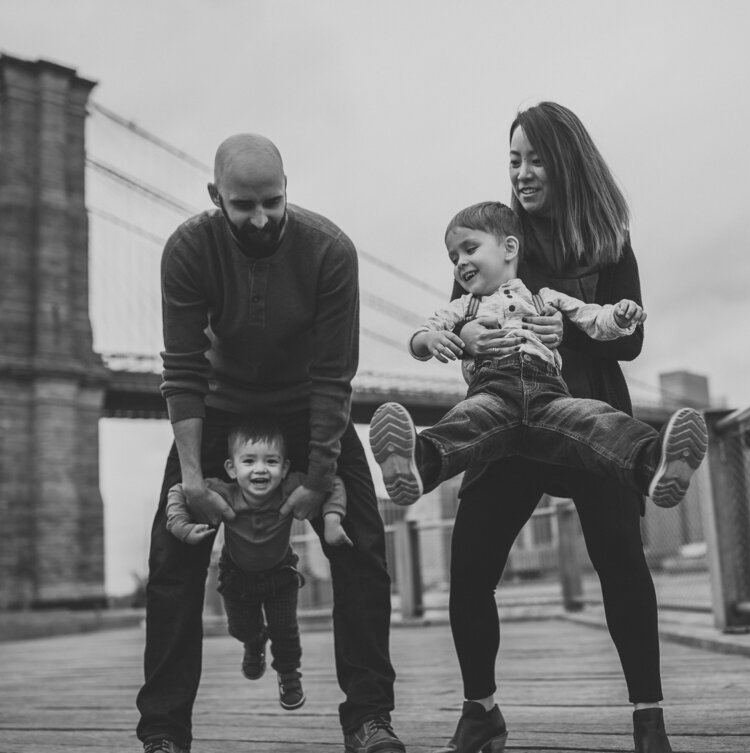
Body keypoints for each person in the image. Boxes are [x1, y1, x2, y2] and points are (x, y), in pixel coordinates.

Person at [135, 134, 405, 753]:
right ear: (215, 198)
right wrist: (194, 480)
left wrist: (316, 479)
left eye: (273, 202)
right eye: (243, 205)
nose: (261, 218)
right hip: (221, 405)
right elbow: (183, 372)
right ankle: (163, 731)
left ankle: (369, 717)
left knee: (361, 548)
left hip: (306, 398)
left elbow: (334, 376)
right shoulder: (187, 250)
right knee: (171, 565)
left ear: (289, 191)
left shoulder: (330, 251)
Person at [436, 102, 682, 753]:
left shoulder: (607, 239)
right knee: (470, 567)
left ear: (566, 159)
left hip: (588, 418)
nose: (521, 171)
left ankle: (648, 718)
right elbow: (462, 315)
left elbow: (627, 345)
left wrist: (561, 322)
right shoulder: (496, 235)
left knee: (622, 565)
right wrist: (467, 333)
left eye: (534, 157)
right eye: (513, 158)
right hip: (512, 425)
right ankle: (481, 709)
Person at [369, 201, 707, 514]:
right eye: (453, 258)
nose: (460, 263)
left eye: (470, 249)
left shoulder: (544, 298)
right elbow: (421, 335)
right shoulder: (465, 306)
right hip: (494, 395)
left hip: (548, 397)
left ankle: (654, 463)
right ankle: (417, 463)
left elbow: (592, 319)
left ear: (509, 249)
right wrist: (433, 339)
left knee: (597, 419)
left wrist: (619, 316)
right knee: (464, 422)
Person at [165, 415, 352, 711]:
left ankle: (289, 675)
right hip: (236, 576)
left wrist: (332, 519)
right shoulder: (224, 492)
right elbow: (179, 490)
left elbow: (333, 482)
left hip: (280, 575)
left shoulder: (291, 487)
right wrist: (181, 526)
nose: (260, 469)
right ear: (232, 468)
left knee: (285, 630)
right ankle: (254, 642)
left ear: (285, 467)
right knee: (239, 628)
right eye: (249, 461)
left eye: (271, 461)